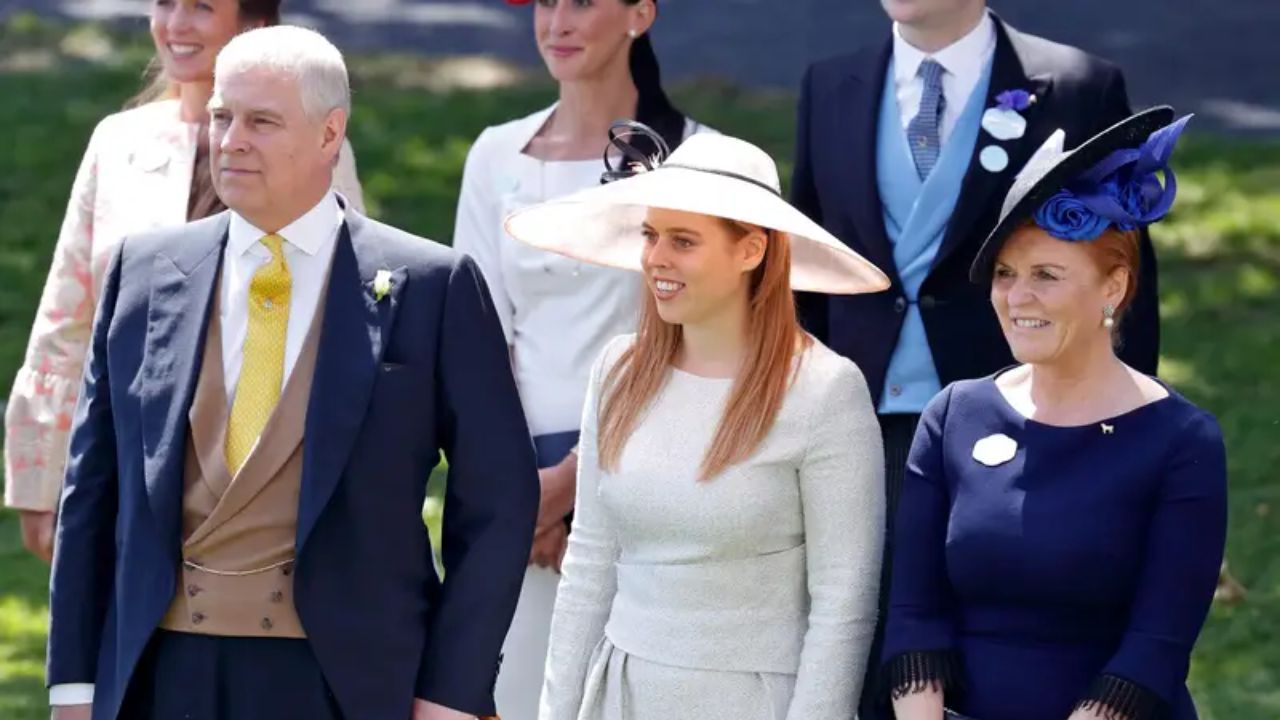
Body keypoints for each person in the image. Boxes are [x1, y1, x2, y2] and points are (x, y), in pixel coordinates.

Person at [45, 26, 536, 720]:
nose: (232, 139)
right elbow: (91, 492)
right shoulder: (144, 274)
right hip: (160, 678)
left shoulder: (433, 286)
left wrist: (450, 695)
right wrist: (73, 687)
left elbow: (497, 504)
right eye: (222, 117)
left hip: (346, 684)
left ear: (330, 134)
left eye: (262, 121)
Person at [789, 4, 1160, 713]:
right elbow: (808, 279)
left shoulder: (1078, 85)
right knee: (865, 658)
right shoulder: (828, 84)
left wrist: (1125, 445)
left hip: (1029, 437)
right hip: (854, 432)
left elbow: (1125, 281)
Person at [504, 126, 891, 720]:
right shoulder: (619, 370)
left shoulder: (825, 391)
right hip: (620, 696)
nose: (656, 257)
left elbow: (844, 605)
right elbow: (589, 567)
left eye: (684, 241)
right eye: (651, 235)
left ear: (750, 250)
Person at [881, 107, 1227, 720]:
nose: (1018, 298)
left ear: (1113, 288)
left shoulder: (1181, 440)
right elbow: (915, 615)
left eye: (1046, 275)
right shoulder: (954, 414)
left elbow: (1156, 647)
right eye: (1006, 274)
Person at [5, 0, 364, 563]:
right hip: (123, 458)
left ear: (254, 25)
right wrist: (40, 482)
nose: (175, 25)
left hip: (258, 476)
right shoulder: (117, 142)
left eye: (200, 7)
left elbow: (347, 313)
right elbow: (69, 316)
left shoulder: (314, 149)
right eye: (165, 3)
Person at [454, 1, 708, 715]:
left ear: (639, 14)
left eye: (583, 2)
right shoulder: (495, 153)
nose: (557, 21)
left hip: (653, 477)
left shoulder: (696, 158)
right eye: (545, 2)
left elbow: (698, 340)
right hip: (518, 487)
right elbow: (475, 338)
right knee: (521, 689)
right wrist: (517, 493)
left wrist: (576, 479)